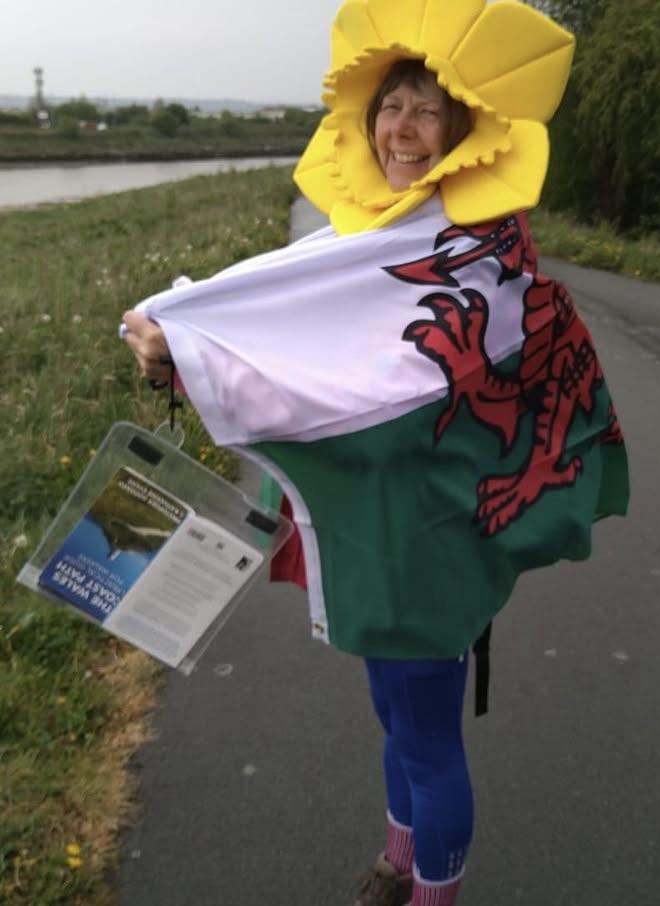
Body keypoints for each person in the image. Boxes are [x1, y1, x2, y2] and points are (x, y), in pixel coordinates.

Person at [122, 3, 629, 905]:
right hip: (373, 527)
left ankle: (433, 893)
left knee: (429, 741)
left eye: (429, 110)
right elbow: (284, 327)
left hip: (430, 539)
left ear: (464, 132)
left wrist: (196, 354)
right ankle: (399, 862)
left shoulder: (480, 251)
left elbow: (380, 384)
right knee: (393, 714)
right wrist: (184, 334)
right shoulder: (364, 241)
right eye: (391, 105)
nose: (402, 127)